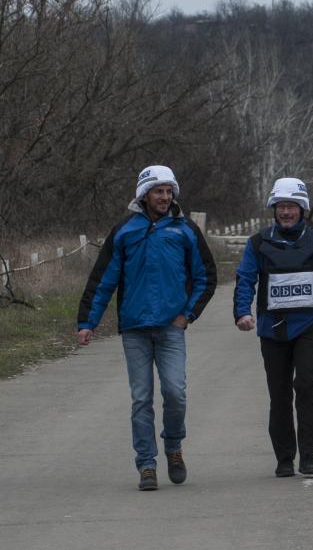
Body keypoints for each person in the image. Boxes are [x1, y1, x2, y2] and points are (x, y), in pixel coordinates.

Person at [77, 165, 217, 491]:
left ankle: (174, 447)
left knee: (175, 393)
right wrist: (87, 322)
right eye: (159, 191)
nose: (165, 197)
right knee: (141, 399)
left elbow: (205, 277)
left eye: (169, 191)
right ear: (144, 194)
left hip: (171, 328)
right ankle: (146, 465)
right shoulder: (125, 231)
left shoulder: (185, 229)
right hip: (135, 329)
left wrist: (187, 315)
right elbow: (103, 280)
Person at [234, 177, 313, 478]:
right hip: (272, 330)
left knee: (307, 387)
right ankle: (284, 457)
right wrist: (242, 312)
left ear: (302, 209)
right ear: (274, 209)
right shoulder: (258, 243)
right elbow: (245, 278)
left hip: (309, 327)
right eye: (281, 206)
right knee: (280, 394)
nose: (286, 212)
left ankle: (308, 456)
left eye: (292, 207)